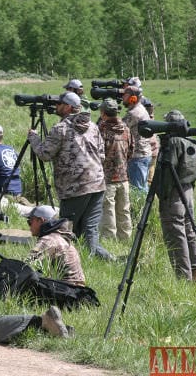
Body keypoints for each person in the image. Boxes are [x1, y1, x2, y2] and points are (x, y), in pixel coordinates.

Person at [27, 91, 115, 261]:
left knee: (65, 228)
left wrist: (34, 138)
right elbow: (102, 155)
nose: (56, 106)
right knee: (90, 229)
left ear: (68, 107)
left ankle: (65, 260)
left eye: (59, 104)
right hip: (97, 183)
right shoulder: (93, 127)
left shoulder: (61, 128)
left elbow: (45, 154)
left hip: (74, 187)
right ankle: (100, 260)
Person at [155, 110, 196, 282]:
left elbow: (167, 173)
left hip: (173, 193)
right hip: (188, 190)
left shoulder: (174, 143)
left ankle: (183, 277)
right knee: (189, 231)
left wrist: (162, 194)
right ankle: (195, 270)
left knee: (176, 234)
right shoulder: (191, 141)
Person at [98, 98, 134, 241]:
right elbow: (132, 150)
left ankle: (109, 239)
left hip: (107, 179)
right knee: (124, 210)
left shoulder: (102, 130)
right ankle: (125, 237)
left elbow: (97, 153)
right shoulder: (126, 129)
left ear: (103, 113)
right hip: (123, 177)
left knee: (108, 210)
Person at [26, 205, 86, 287]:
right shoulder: (62, 236)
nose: (29, 226)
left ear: (40, 220)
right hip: (75, 289)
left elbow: (26, 266)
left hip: (64, 289)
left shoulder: (49, 240)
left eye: (30, 222)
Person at [121, 86, 153, 192]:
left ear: (133, 98)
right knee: (142, 186)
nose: (122, 98)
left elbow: (119, 128)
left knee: (137, 190)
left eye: (125, 95)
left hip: (137, 156)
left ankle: (141, 209)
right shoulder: (140, 109)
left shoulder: (134, 113)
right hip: (142, 154)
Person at [143, 99, 160, 185]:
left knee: (148, 172)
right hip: (154, 149)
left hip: (148, 149)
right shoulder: (152, 118)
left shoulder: (145, 120)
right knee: (151, 170)